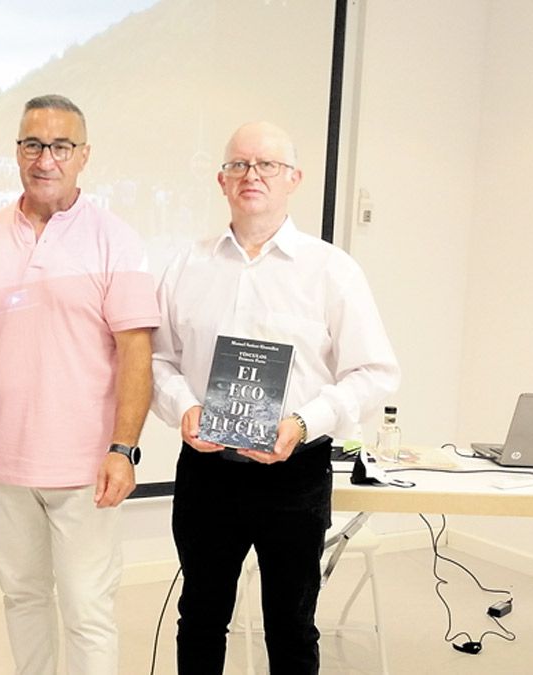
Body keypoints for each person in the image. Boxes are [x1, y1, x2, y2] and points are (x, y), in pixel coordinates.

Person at [151, 121, 400, 674]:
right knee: (200, 617)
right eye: (239, 165)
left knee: (290, 625)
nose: (252, 175)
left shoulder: (332, 271)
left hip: (296, 474)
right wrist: (183, 408)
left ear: (295, 179)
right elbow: (157, 361)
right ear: (221, 180)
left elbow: (375, 371)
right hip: (207, 470)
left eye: (267, 165)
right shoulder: (185, 266)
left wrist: (305, 422)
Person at [0, 94, 159, 674]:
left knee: (88, 610)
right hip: (3, 463)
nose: (46, 158)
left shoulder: (117, 240)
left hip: (86, 467)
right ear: (17, 152)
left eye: (60, 146)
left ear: (83, 155)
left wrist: (123, 448)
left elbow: (135, 351)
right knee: (23, 599)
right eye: (33, 144)